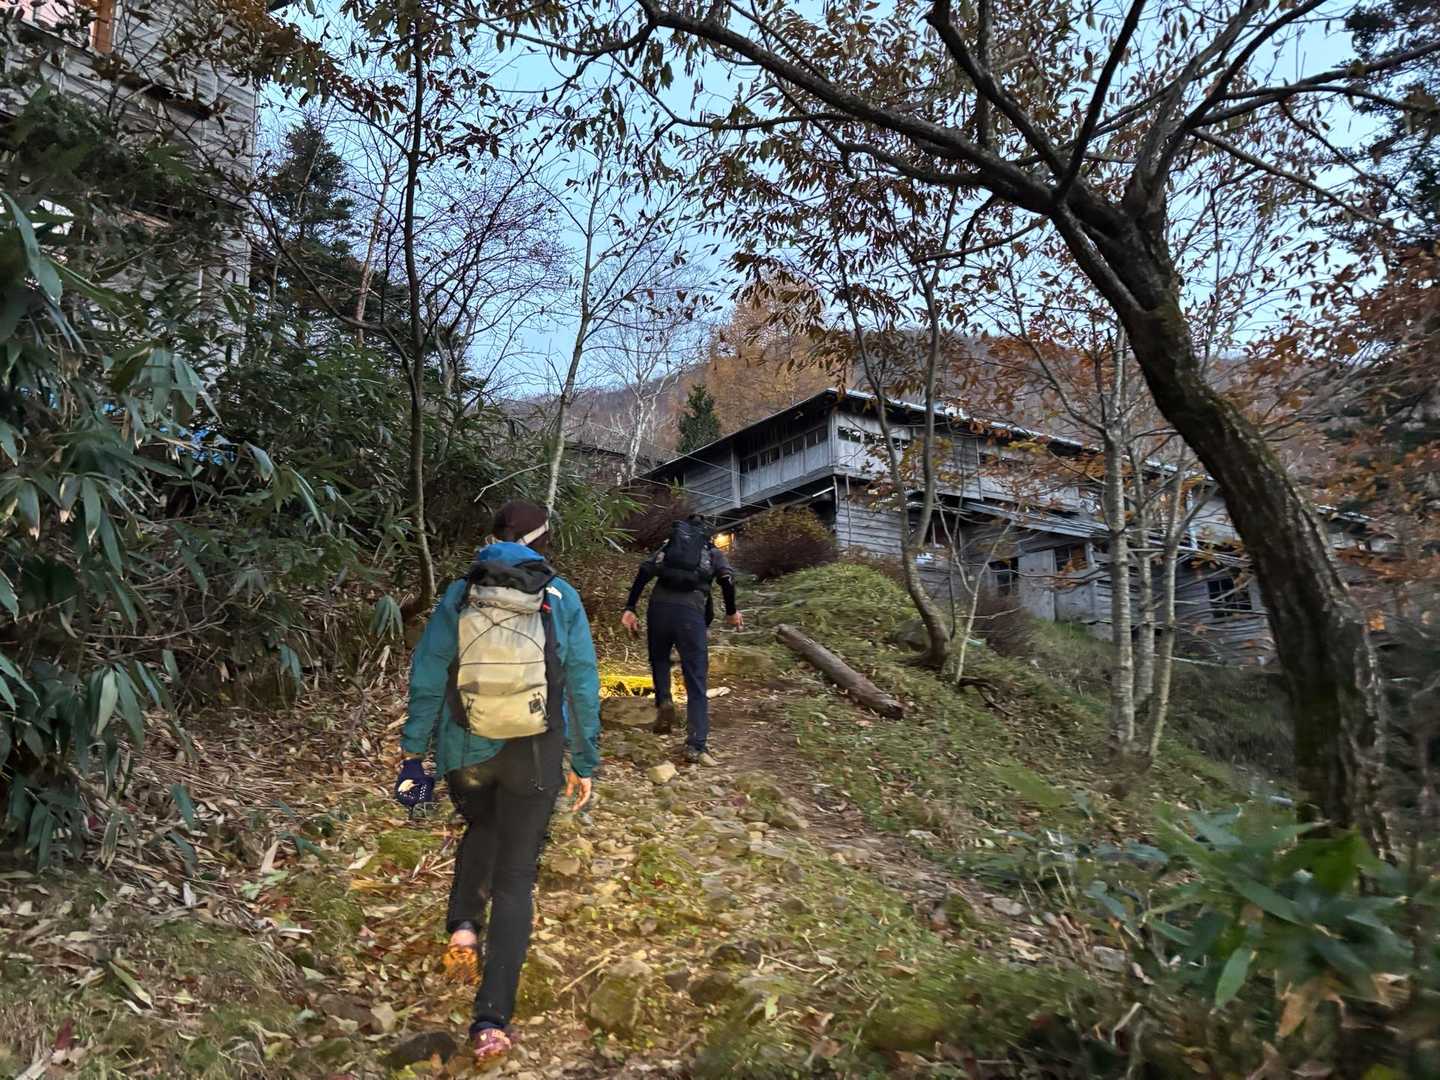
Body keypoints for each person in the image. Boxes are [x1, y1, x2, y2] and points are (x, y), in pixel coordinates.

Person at [394, 501, 600, 1068]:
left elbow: (428, 675)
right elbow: (582, 682)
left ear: (492, 537)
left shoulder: (461, 594)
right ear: (543, 541)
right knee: (515, 876)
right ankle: (490, 1020)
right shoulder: (560, 596)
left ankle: (463, 929)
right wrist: (584, 760)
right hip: (535, 753)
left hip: (467, 753)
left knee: (482, 824)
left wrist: (414, 755)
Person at [621, 514, 742, 765]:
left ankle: (664, 700)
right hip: (690, 613)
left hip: (659, 609)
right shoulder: (711, 552)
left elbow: (645, 570)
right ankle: (696, 743)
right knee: (695, 677)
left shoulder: (669, 547)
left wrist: (630, 607)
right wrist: (731, 612)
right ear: (708, 535)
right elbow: (726, 579)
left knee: (659, 659)